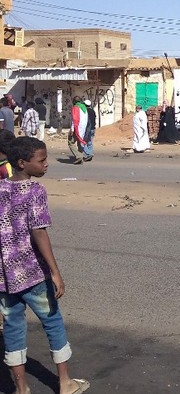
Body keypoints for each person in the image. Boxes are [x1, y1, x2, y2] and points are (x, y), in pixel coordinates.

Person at [0, 136, 90, 394]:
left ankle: (21, 388)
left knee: (13, 329)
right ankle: (65, 382)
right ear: (22, 163)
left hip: (4, 276)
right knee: (52, 322)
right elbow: (39, 232)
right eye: (41, 160)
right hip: (33, 273)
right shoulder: (35, 191)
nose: (46, 164)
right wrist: (55, 272)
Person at [67, 97, 91, 165]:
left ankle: (79, 156)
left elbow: (74, 119)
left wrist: (72, 129)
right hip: (83, 129)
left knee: (70, 142)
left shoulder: (76, 108)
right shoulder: (84, 108)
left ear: (74, 102)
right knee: (79, 143)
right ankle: (81, 157)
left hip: (77, 128)